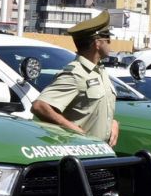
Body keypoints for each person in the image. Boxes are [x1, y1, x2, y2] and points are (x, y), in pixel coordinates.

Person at [31, 11, 120, 147]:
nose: (110, 43)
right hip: (81, 154)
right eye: (107, 38)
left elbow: (92, 110)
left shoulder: (99, 70)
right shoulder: (76, 73)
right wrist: (76, 133)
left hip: (102, 153)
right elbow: (40, 106)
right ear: (97, 43)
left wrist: (113, 123)